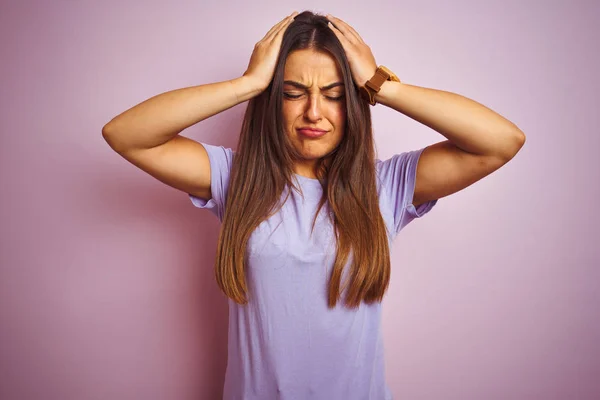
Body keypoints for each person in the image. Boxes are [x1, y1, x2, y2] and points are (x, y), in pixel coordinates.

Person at [102, 10, 525, 400]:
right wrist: (247, 84)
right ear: (273, 99)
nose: (313, 112)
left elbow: (500, 142)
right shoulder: (236, 179)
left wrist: (382, 85)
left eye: (335, 94)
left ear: (355, 102)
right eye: (292, 93)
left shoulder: (386, 186)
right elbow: (126, 134)